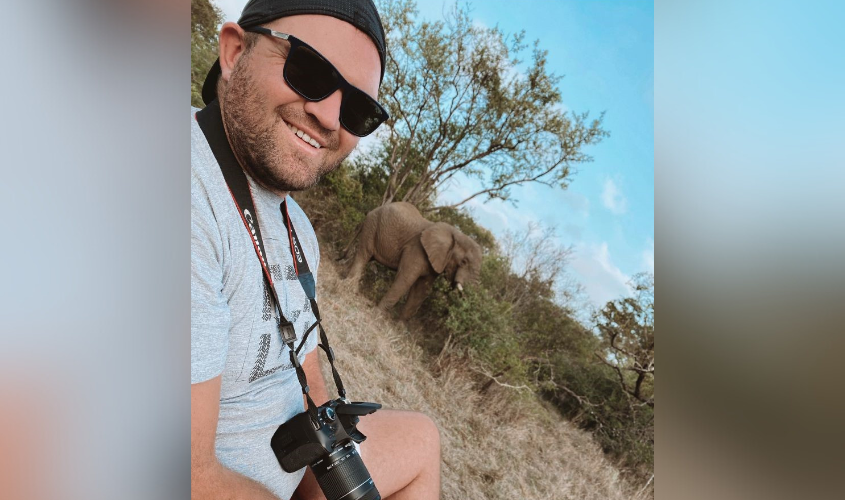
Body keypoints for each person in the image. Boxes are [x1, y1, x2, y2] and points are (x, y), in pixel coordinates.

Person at [190, 1, 441, 499]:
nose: (328, 117)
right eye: (308, 71)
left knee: (422, 438)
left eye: (357, 109)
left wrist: (334, 450)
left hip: (294, 463)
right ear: (234, 52)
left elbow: (304, 368)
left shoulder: (298, 228)